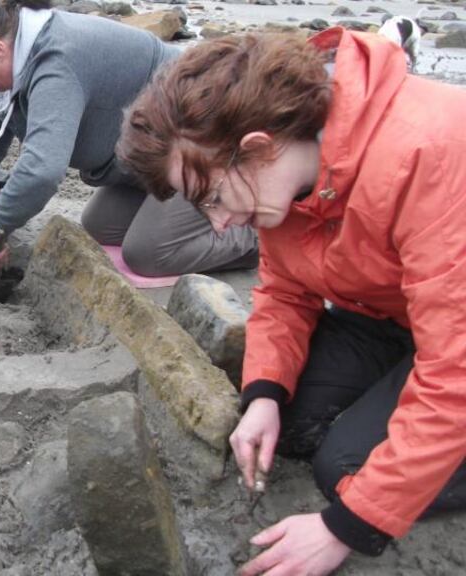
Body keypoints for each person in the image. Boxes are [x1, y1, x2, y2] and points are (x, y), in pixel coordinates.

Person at [117, 29, 466, 575]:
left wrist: (343, 526)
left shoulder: (430, 151)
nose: (219, 223)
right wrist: (264, 395)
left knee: (347, 469)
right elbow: (284, 291)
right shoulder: (287, 178)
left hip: (452, 337)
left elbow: (454, 372)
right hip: (397, 316)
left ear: (257, 146)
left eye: (211, 197)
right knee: (292, 422)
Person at [0, 0, 258, 276]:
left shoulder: (56, 57)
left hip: (206, 147)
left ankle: (257, 236)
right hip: (152, 163)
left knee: (147, 254)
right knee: (100, 227)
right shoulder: (21, 54)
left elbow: (42, 170)